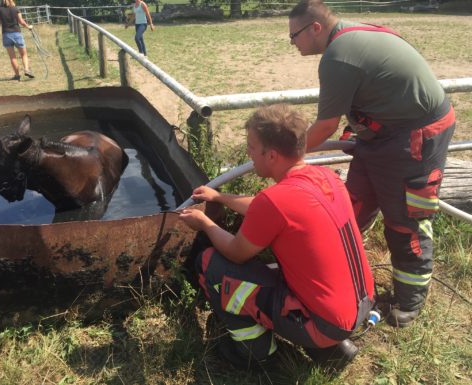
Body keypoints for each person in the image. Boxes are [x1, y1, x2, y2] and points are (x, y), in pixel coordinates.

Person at [288, 0, 455, 327]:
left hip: (415, 137)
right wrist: (359, 131)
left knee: (406, 219)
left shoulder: (337, 57)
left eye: (294, 35)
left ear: (315, 28)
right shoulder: (352, 35)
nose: (293, 42)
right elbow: (375, 91)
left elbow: (324, 127)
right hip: (383, 136)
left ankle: (409, 303)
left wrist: (290, 158)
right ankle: (342, 269)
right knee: (355, 203)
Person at [179, 104, 374, 370]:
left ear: (270, 155)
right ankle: (330, 350)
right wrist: (220, 197)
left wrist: (204, 223)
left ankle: (256, 353)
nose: (249, 154)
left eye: (251, 148)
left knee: (212, 265)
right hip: (357, 303)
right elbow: (264, 207)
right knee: (274, 272)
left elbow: (236, 252)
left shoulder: (276, 201)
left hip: (323, 323)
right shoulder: (325, 177)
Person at [0, 0, 34, 81]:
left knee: (12, 57)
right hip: (17, 33)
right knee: (24, 54)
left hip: (6, 34)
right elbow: (21, 21)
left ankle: (17, 75)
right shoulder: (15, 9)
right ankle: (27, 70)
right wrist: (28, 27)